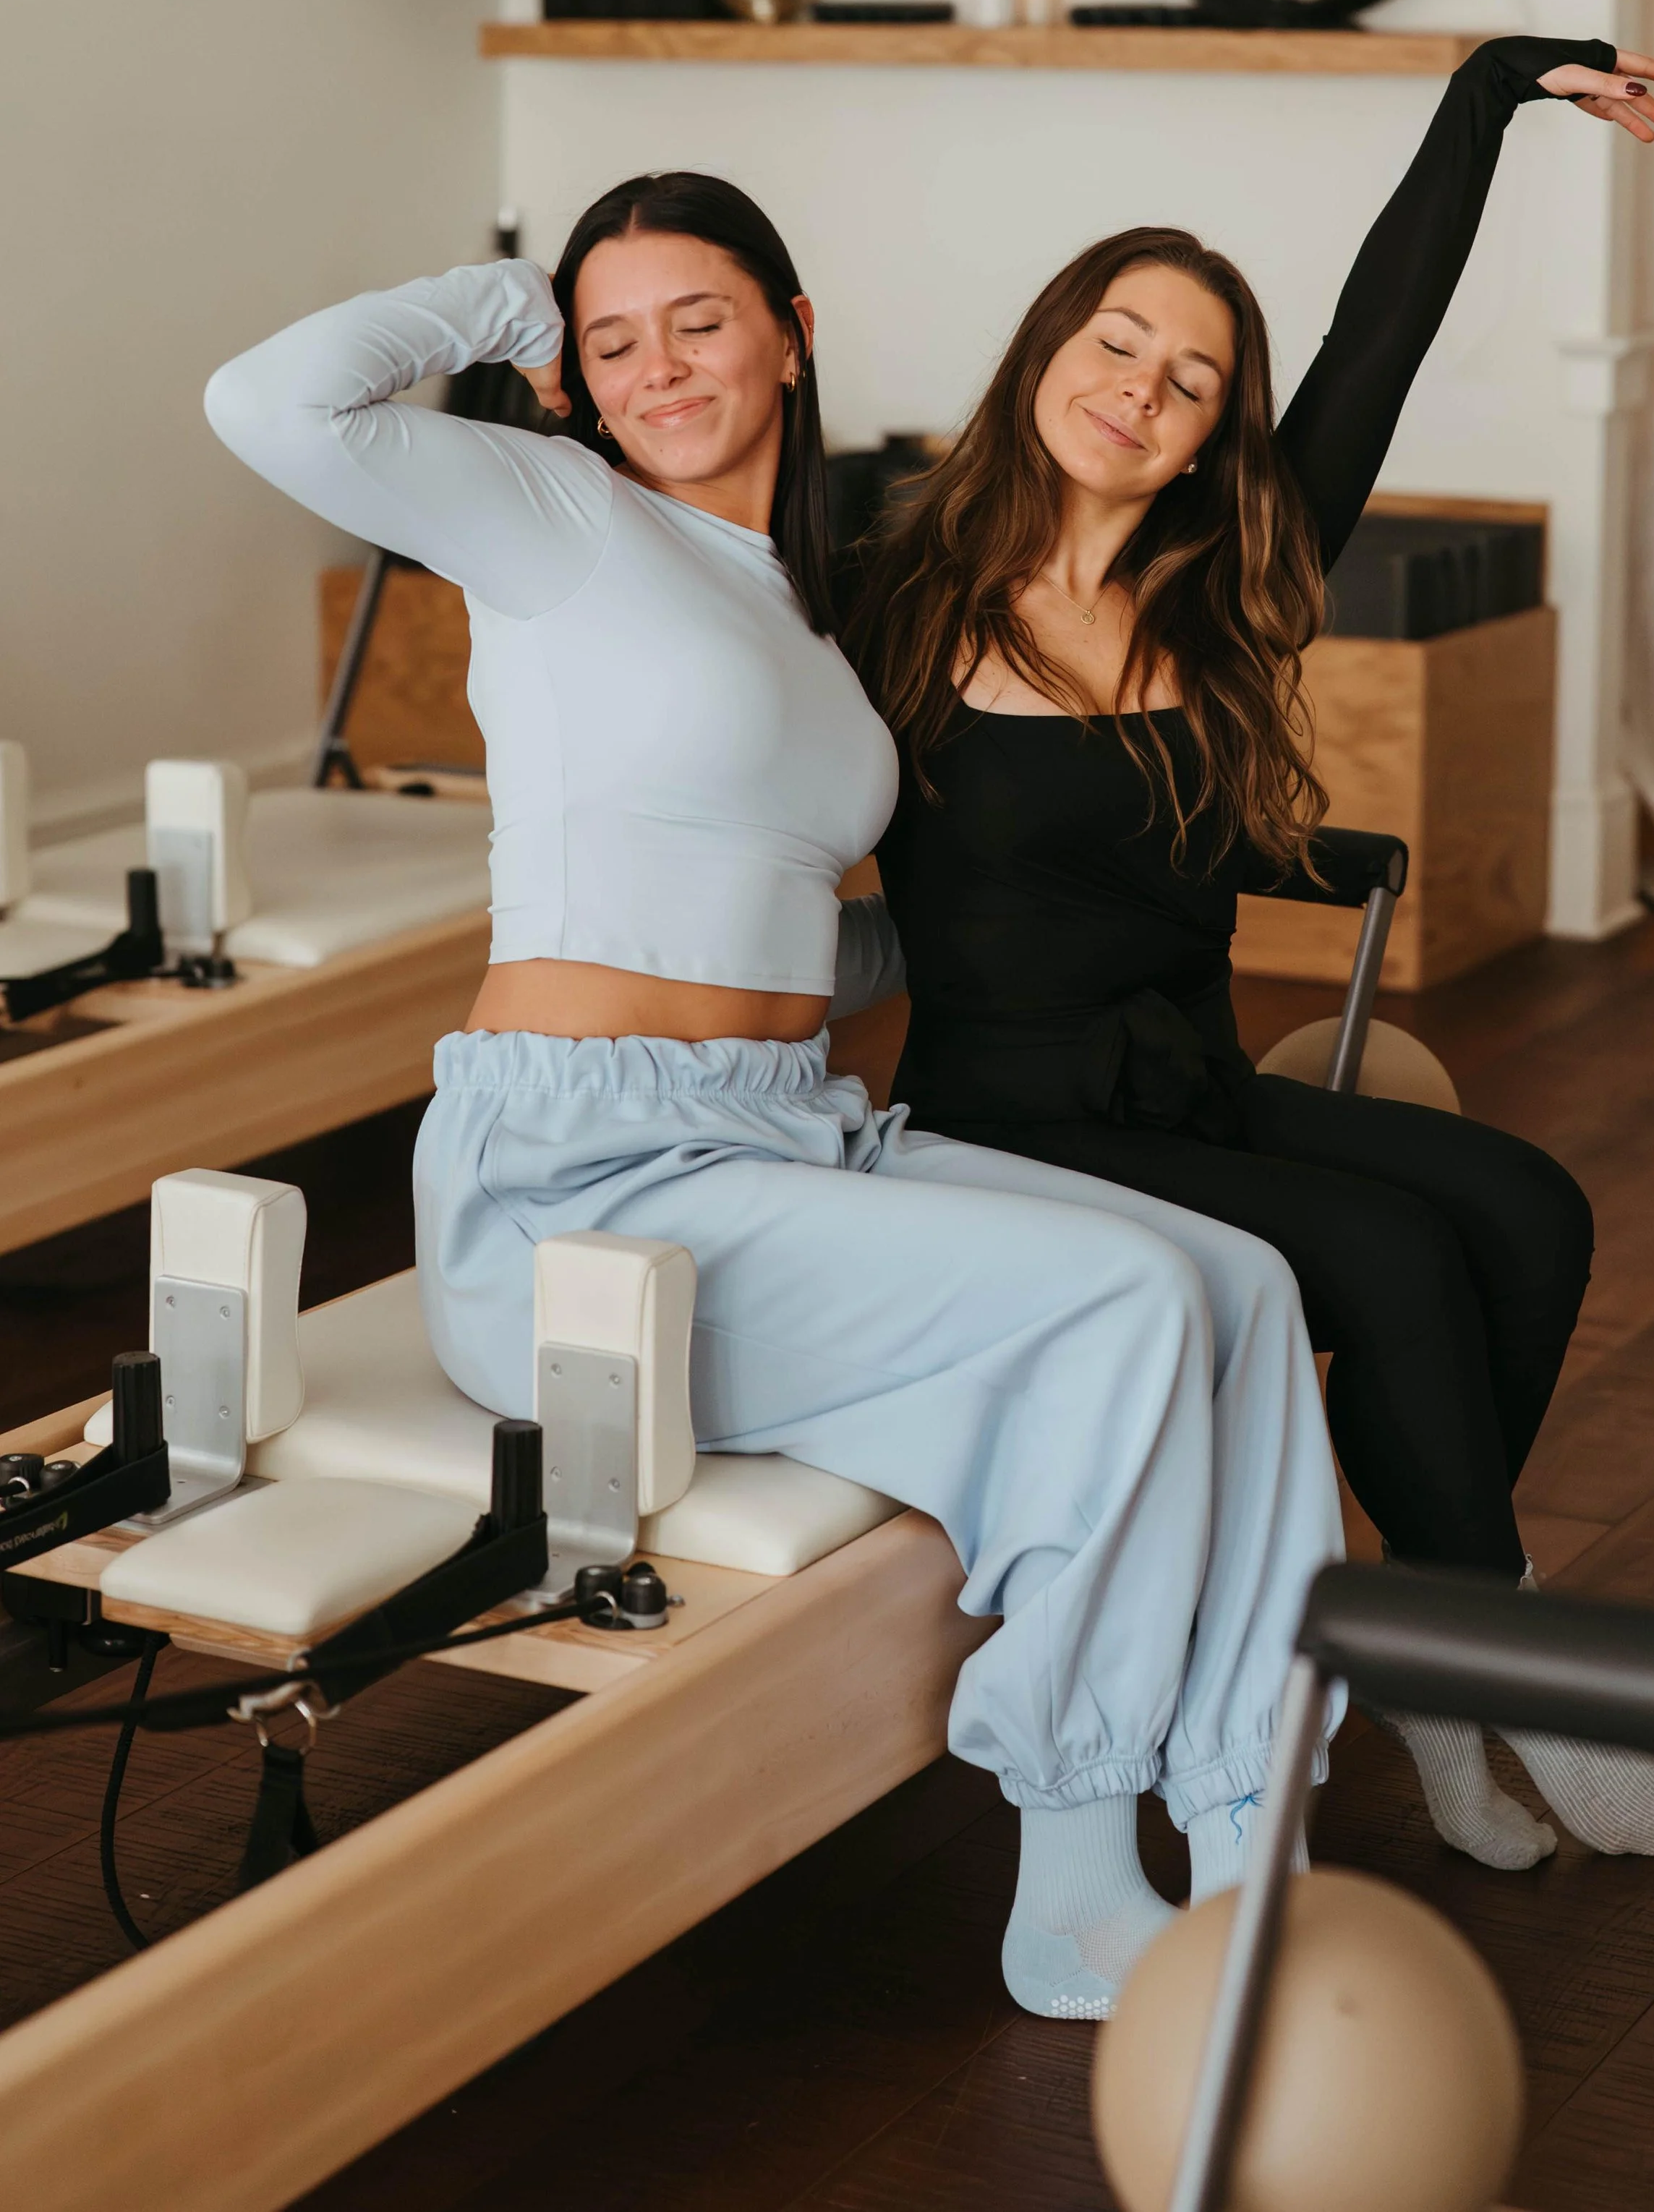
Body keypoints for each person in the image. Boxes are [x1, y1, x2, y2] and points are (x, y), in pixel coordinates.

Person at [204, 171, 1343, 2025]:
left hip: (773, 1125)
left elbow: (802, 932)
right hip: (577, 1195)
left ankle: (1243, 1835)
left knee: (1242, 1287)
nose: (657, 368)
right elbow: (264, 400)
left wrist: (1054, 921)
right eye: (613, 341)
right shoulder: (555, 514)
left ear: (793, 336)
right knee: (1127, 1303)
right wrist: (515, 301)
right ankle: (1072, 1880)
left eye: (700, 321)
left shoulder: (812, 615)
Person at [847, 35, 1654, 1871]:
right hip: (999, 1119)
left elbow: (1371, 339)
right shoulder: (890, 596)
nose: (1140, 390)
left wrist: (1487, 91)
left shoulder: (1226, 583)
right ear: (1042, 351)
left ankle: (1422, 1659)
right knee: (1392, 1253)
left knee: (1527, 1208)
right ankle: (1493, 1670)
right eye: (1115, 343)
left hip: (1183, 1087)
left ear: (1209, 432)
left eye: (1189, 379)